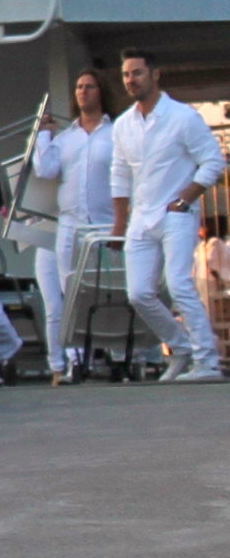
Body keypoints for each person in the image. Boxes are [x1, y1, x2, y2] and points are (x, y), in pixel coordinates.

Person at [110, 47, 226, 384]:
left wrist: (184, 199)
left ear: (154, 75)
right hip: (141, 217)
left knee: (178, 285)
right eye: (126, 74)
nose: (131, 80)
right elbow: (118, 174)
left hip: (176, 213)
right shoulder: (123, 125)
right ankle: (180, 347)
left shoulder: (183, 117)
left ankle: (208, 363)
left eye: (137, 73)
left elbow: (213, 162)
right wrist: (120, 222)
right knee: (138, 293)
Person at [32, 70, 116, 381]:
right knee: (69, 295)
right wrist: (43, 133)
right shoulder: (66, 139)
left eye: (90, 86)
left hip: (105, 222)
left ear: (100, 91)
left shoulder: (115, 133)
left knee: (107, 292)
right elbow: (44, 168)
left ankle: (114, 353)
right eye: (79, 87)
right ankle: (73, 359)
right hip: (70, 224)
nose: (83, 92)